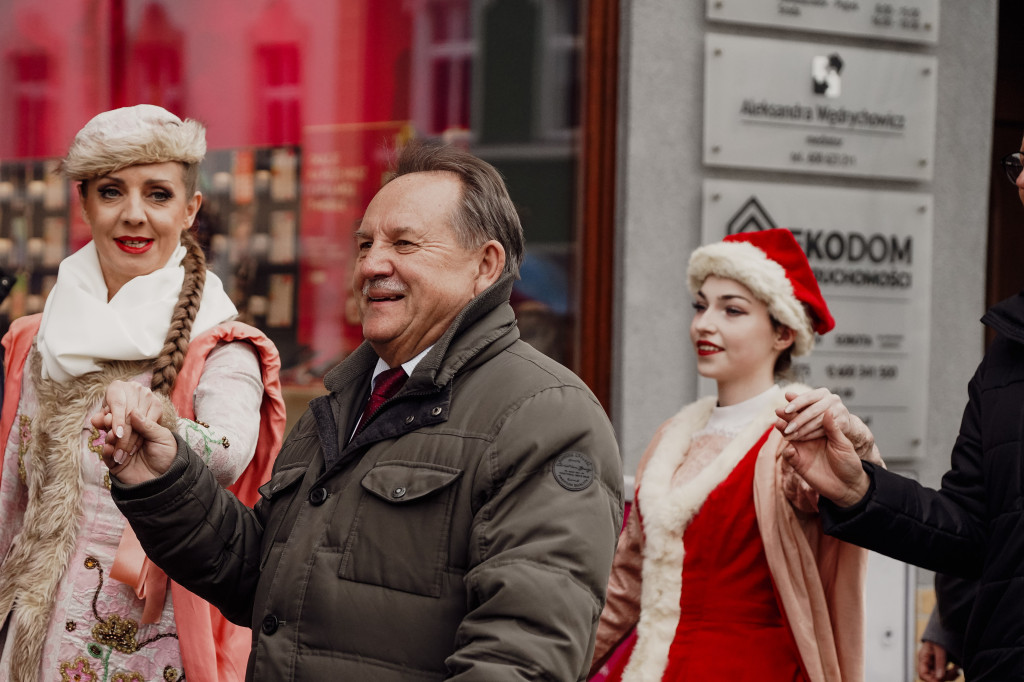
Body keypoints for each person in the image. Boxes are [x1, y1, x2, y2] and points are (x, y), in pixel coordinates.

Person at [98, 140, 624, 680]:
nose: (372, 265)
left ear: (485, 265)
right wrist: (162, 479)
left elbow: (523, 659)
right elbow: (264, 578)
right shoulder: (345, 400)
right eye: (365, 244)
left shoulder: (547, 417)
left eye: (405, 244)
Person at [0, 105, 287, 682]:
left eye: (157, 194)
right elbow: (11, 492)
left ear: (190, 210)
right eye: (112, 192)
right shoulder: (35, 336)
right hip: (23, 640)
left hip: (141, 650)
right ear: (84, 202)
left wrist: (162, 424)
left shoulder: (222, 344)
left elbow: (229, 456)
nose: (134, 216)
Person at [774, 140, 1024, 682]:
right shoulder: (1008, 354)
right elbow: (973, 532)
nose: (1023, 181)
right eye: (1022, 164)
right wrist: (859, 489)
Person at [590, 228, 876, 682]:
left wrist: (852, 446)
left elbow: (850, 493)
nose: (705, 323)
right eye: (701, 306)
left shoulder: (794, 435)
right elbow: (625, 585)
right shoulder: (673, 436)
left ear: (783, 332)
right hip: (655, 665)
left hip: (754, 666)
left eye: (733, 310)